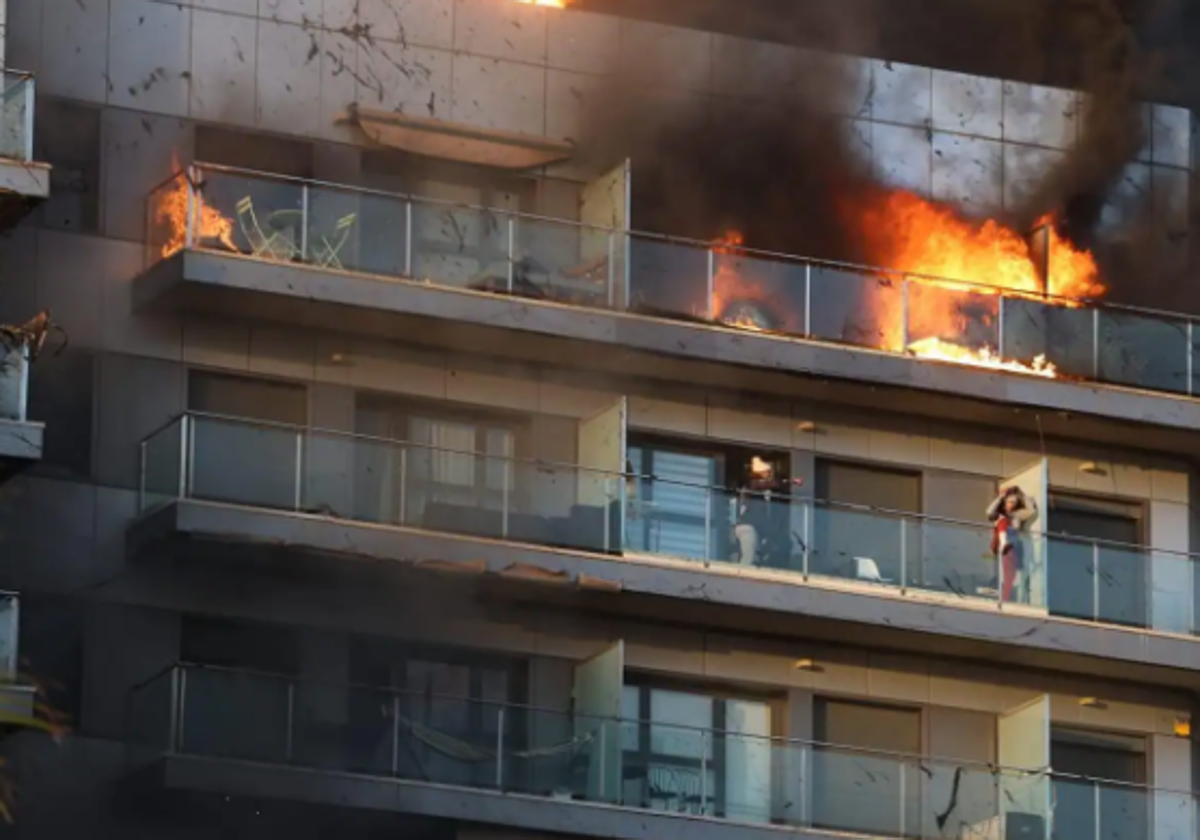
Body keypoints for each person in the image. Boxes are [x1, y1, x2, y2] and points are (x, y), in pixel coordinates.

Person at [733, 457, 804, 567]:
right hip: (748, 527)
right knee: (750, 558)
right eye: (767, 472)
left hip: (753, 528)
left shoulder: (759, 490)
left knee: (755, 558)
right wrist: (791, 481)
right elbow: (773, 484)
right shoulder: (751, 484)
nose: (769, 474)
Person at [986, 485, 1039, 603]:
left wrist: (1022, 495)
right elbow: (989, 512)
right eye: (1009, 501)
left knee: (1011, 576)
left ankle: (1005, 599)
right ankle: (1004, 542)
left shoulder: (1017, 515)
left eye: (1014, 502)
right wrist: (1000, 497)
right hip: (1000, 546)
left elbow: (1031, 510)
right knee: (1003, 520)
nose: (1011, 504)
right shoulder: (999, 514)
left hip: (1013, 547)